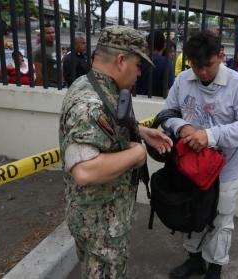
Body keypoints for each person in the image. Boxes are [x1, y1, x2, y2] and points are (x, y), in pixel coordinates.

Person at [59, 26, 173, 279]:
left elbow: (109, 126)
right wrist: (137, 155)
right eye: (138, 65)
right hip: (100, 225)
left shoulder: (98, 86)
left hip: (104, 216)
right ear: (121, 60)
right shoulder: (89, 104)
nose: (140, 72)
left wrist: (141, 132)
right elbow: (84, 171)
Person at [163, 31, 238, 279]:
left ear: (220, 55)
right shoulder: (183, 80)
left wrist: (210, 136)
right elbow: (166, 114)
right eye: (196, 66)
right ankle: (194, 260)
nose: (203, 72)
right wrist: (182, 127)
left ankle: (214, 270)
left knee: (221, 220)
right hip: (189, 168)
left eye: (208, 65)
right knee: (192, 214)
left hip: (224, 170)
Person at [136, 30, 174, 97]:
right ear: (164, 45)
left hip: (135, 100)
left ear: (147, 44)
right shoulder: (166, 63)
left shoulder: (139, 60)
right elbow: (169, 91)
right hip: (158, 104)